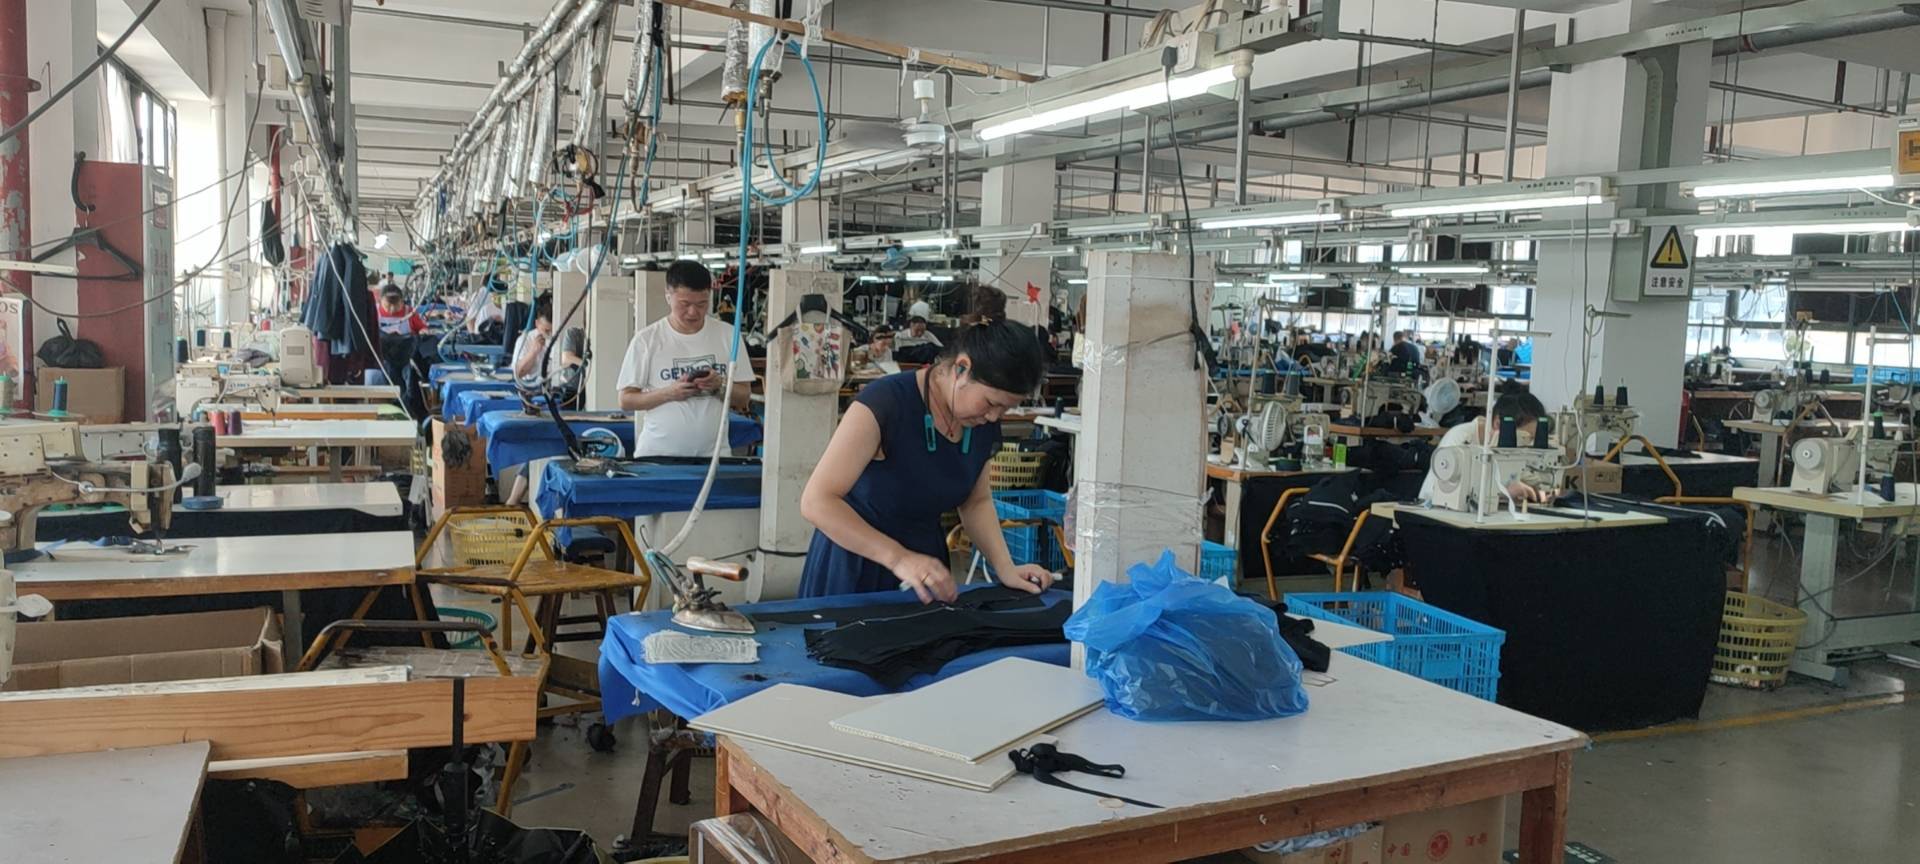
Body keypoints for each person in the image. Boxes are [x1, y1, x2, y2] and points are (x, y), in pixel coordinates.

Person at [799, 318, 1053, 601]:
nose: (994, 417)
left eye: (1005, 409)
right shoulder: (885, 403)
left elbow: (976, 502)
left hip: (925, 567)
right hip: (855, 563)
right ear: (962, 368)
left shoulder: (981, 422)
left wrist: (1005, 567)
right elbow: (817, 502)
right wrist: (898, 558)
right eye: (992, 403)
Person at [616, 261, 754, 457]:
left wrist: (719, 385)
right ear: (668, 296)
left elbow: (744, 397)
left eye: (701, 304)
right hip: (658, 456)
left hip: (714, 458)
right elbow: (626, 400)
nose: (693, 312)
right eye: (685, 304)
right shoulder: (647, 340)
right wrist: (669, 393)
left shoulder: (729, 336)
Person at [1420, 390, 1555, 504]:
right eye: (1524, 438)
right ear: (1498, 424)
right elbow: (1440, 495)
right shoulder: (1460, 439)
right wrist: (1503, 492)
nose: (1527, 445)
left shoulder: (1502, 449)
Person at [511, 292, 584, 390]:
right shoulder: (525, 340)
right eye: (546, 330)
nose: (550, 334)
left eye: (553, 330)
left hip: (558, 382)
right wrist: (532, 352)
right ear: (537, 324)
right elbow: (518, 374)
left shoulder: (561, 335)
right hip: (535, 386)